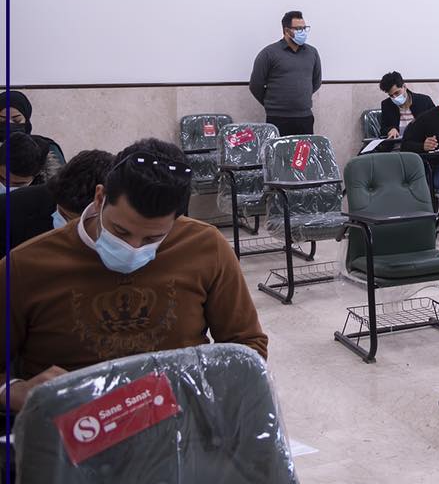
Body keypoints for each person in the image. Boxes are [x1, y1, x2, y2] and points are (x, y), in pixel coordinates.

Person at [3, 138, 268, 412]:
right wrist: (14, 391)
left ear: (177, 220)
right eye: (120, 231)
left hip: (178, 416)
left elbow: (247, 346)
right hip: (72, 422)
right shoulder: (26, 265)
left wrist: (206, 390)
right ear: (100, 198)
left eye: (153, 238)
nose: (133, 248)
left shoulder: (204, 247)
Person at [2, 149, 114, 254]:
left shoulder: (116, 232)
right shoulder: (10, 209)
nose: (68, 224)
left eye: (77, 221)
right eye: (63, 214)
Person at [248, 10, 322, 136]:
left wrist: (299, 97)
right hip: (278, 118)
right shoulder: (269, 53)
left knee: (305, 149)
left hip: (305, 117)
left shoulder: (312, 53)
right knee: (279, 149)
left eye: (304, 28)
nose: (303, 32)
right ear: (287, 30)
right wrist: (272, 104)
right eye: (298, 29)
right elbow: (255, 85)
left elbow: (316, 82)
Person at [1, 89, 64, 181]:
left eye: (17, 120)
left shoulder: (48, 149)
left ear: (26, 119)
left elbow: (63, 184)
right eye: (2, 121)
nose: (9, 125)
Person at [378, 71, 436, 141]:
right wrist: (390, 130)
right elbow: (383, 130)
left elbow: (436, 124)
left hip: (421, 145)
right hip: (397, 145)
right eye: (391, 95)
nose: (395, 97)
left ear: (404, 87)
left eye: (397, 93)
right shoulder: (386, 105)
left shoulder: (424, 101)